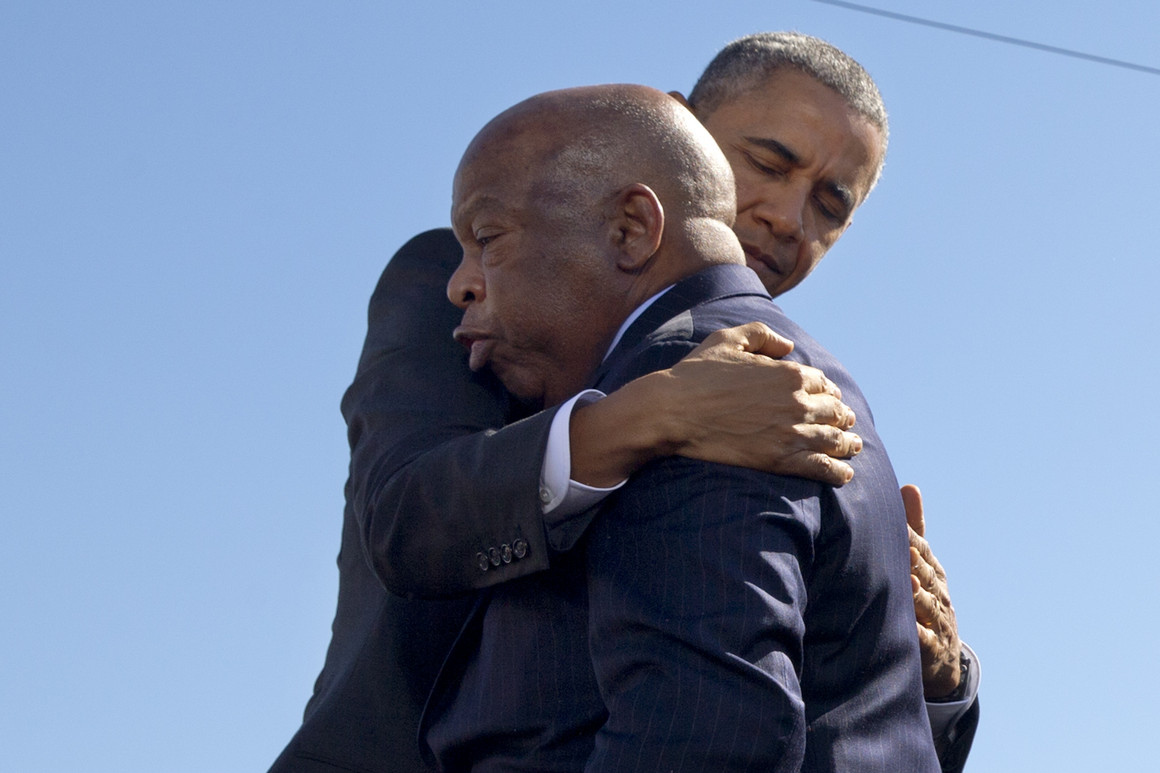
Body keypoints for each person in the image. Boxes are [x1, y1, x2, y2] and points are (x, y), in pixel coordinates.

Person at [270, 32, 976, 773]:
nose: (790, 219)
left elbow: (753, 723)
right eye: (768, 162)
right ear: (673, 129)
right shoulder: (477, 287)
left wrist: (921, 665)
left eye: (831, 207)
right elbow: (408, 513)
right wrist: (640, 418)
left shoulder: (760, 385)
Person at [423, 82, 937, 770]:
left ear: (633, 228)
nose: (461, 283)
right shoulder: (765, 371)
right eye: (769, 163)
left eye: (488, 238)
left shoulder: (711, 376)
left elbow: (708, 735)